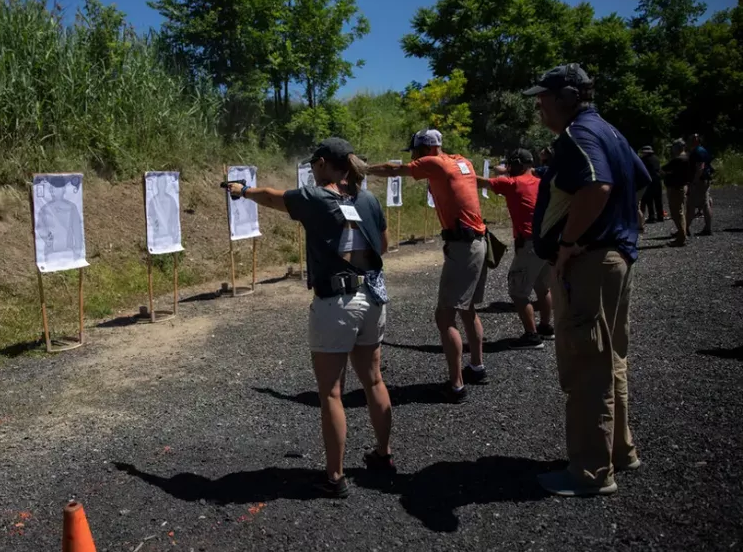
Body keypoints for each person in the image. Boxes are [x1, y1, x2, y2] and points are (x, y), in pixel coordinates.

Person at [223, 138, 393, 498]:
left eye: (314, 165)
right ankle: (383, 454)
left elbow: (271, 197)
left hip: (337, 303)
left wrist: (243, 190)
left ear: (322, 164)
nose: (312, 171)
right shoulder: (368, 198)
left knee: (332, 392)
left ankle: (334, 477)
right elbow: (384, 245)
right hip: (372, 296)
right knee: (374, 382)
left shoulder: (317, 198)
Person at [524, 63, 650, 496]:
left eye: (544, 97)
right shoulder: (611, 131)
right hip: (613, 259)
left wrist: (569, 243)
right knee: (611, 359)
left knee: (585, 366)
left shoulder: (579, 135)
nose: (538, 105)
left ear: (567, 97)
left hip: (590, 263)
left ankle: (591, 472)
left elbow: (596, 187)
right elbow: (640, 179)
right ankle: (620, 451)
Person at [367, 129, 487, 404]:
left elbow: (393, 169)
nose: (413, 157)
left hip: (463, 245)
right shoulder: (462, 161)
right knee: (467, 309)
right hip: (476, 241)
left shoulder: (435, 162)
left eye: (415, 152)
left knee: (445, 316)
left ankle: (456, 386)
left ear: (424, 150)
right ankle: (476, 367)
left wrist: (363, 168)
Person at [477, 148, 553, 348]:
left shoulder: (512, 183)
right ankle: (545, 326)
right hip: (546, 241)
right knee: (542, 287)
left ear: (518, 164)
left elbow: (480, 182)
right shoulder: (539, 181)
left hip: (529, 242)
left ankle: (532, 336)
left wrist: (458, 173)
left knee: (518, 291)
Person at [662, 140, 692, 247]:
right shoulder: (687, 158)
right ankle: (682, 234)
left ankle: (681, 238)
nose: (672, 150)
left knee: (676, 213)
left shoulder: (678, 159)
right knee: (680, 212)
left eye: (673, 147)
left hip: (675, 188)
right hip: (682, 186)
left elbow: (664, 169)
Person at [686, 134, 714, 236]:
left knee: (691, 204)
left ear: (695, 141)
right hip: (705, 179)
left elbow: (700, 167)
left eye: (691, 139)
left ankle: (684, 229)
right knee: (705, 203)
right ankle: (707, 228)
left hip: (699, 181)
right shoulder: (703, 150)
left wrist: (694, 181)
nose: (689, 141)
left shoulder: (697, 151)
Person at [638, 146, 664, 224]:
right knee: (658, 199)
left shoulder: (644, 160)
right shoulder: (656, 158)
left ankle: (651, 216)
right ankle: (660, 216)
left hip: (649, 181)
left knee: (649, 200)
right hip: (657, 180)